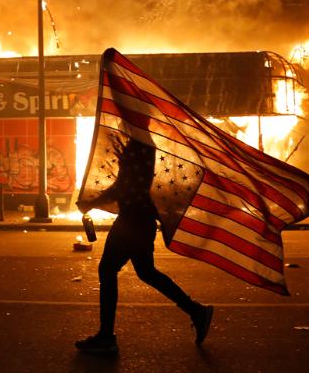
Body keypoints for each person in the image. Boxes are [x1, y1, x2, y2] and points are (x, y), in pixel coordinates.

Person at [75, 138, 214, 355]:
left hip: (133, 221)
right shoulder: (141, 143)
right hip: (139, 219)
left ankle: (106, 338)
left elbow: (124, 186)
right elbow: (125, 184)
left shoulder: (140, 144)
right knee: (146, 272)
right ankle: (196, 311)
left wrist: (91, 203)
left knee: (108, 269)